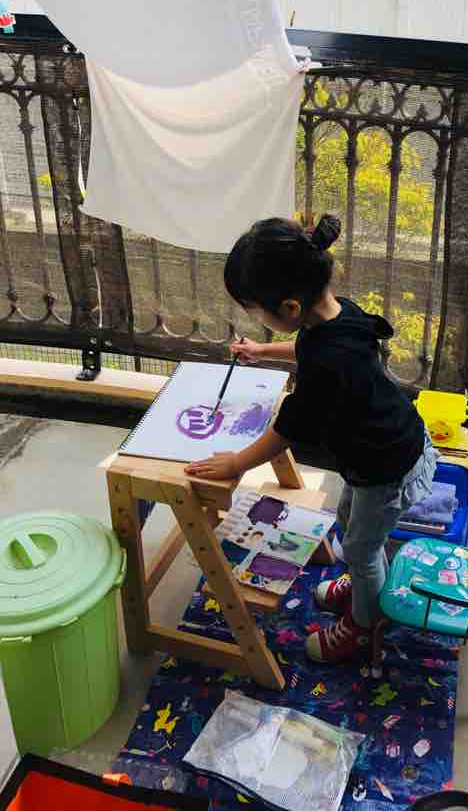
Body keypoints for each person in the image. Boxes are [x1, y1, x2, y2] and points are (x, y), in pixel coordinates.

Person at [185, 213, 436, 664]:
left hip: (388, 466)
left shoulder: (326, 364)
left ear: (290, 309)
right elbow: (309, 345)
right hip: (382, 450)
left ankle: (365, 623)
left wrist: (236, 463)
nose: (256, 319)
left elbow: (286, 430)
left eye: (256, 313)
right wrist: (262, 350)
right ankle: (364, 585)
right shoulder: (341, 313)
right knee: (349, 521)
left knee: (361, 547)